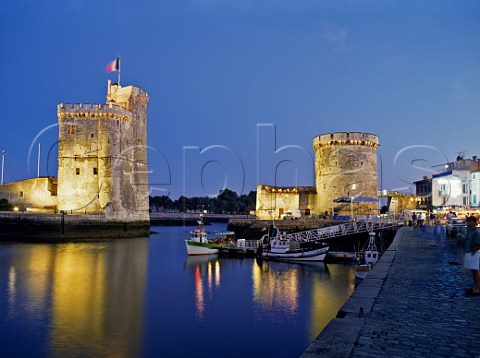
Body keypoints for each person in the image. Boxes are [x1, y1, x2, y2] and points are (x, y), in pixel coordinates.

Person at [464, 216, 480, 295]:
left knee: (475, 271)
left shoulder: (476, 232)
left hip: (474, 253)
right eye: (468, 221)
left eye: (470, 221)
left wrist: (472, 253)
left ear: (474, 222)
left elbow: (477, 244)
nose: (468, 223)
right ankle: (475, 287)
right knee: (473, 271)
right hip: (469, 251)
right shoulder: (470, 231)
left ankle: (477, 288)